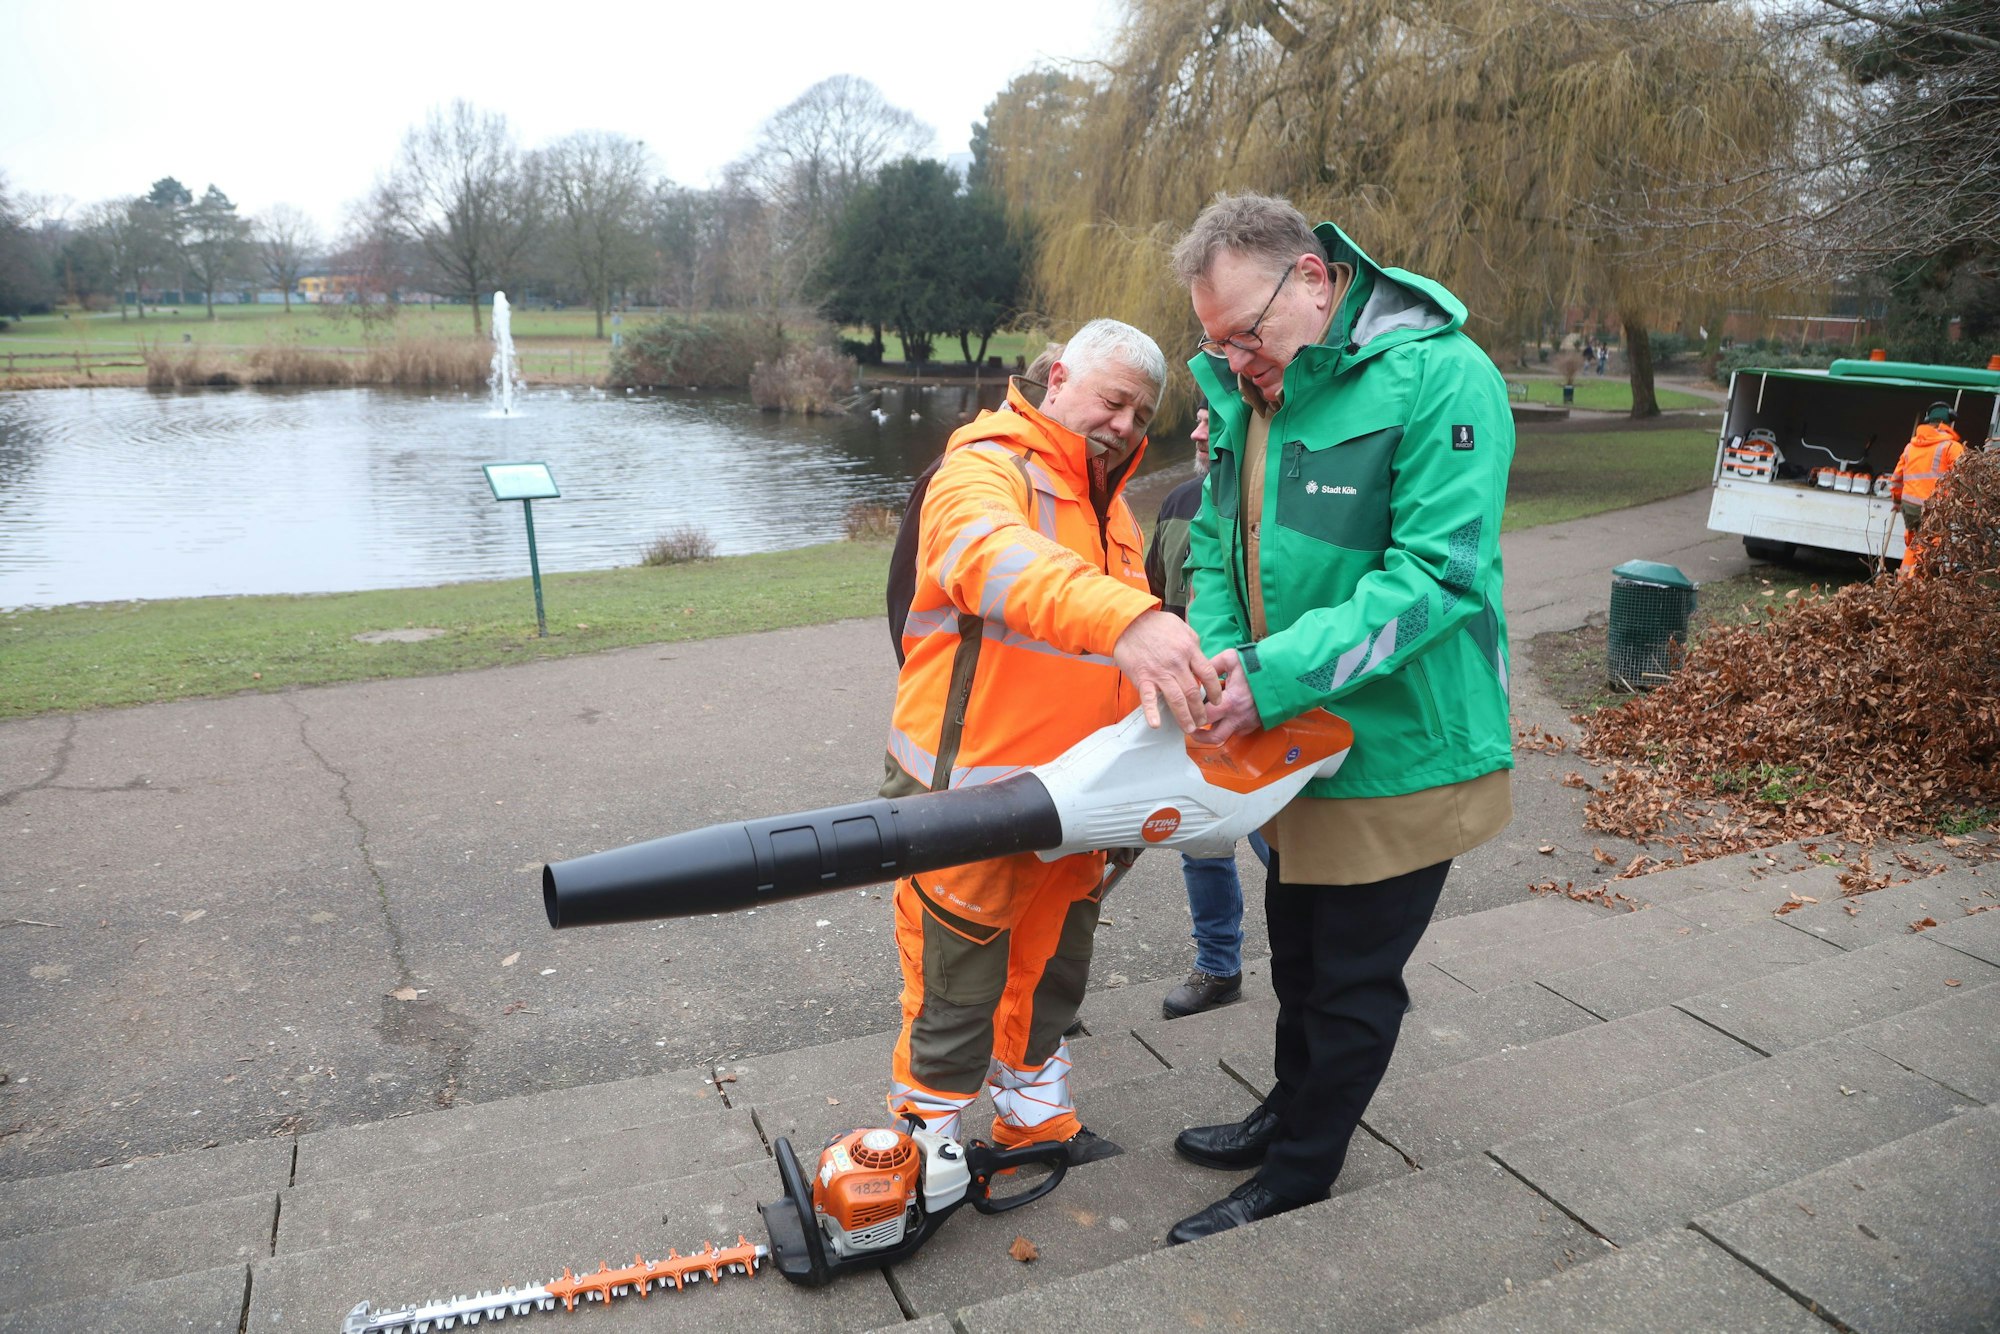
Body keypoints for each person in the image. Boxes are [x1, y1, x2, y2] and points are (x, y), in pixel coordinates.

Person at [1161, 193, 1516, 1243]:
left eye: (1245, 335)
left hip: (1404, 747)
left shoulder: (1445, 376)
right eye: (1213, 343)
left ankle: (1304, 1167)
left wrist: (1266, 674)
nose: (1233, 365)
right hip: (1293, 739)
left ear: (1312, 279)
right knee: (1296, 946)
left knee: (1353, 976)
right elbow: (1218, 539)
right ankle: (1287, 1109)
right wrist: (1224, 652)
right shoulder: (1249, 393)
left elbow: (1435, 578)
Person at [883, 318, 1221, 1163]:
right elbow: (988, 557)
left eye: (1142, 417)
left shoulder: (1108, 504)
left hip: (1077, 796)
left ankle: (1037, 1121)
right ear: (1060, 376)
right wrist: (1130, 620)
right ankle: (924, 1152)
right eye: (1114, 402)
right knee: (954, 983)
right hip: (970, 794)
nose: (1125, 427)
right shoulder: (982, 466)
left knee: (1054, 966)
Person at [1146, 403, 1270, 1019]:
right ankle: (1219, 967)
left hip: (1274, 704)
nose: (1197, 433)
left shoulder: (1279, 498)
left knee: (1293, 848)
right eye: (1195, 419)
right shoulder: (1175, 505)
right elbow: (1153, 599)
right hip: (1196, 711)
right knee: (1203, 841)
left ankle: (1348, 970)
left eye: (1208, 421)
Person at [1889, 401, 1966, 538]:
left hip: (1910, 508)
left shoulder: (1910, 447)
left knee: (1913, 544)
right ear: (1949, 423)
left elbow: (1896, 479)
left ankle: (1909, 559)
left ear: (1927, 421)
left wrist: (1896, 501)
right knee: (1929, 548)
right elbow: (1965, 480)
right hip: (1935, 509)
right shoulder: (1952, 448)